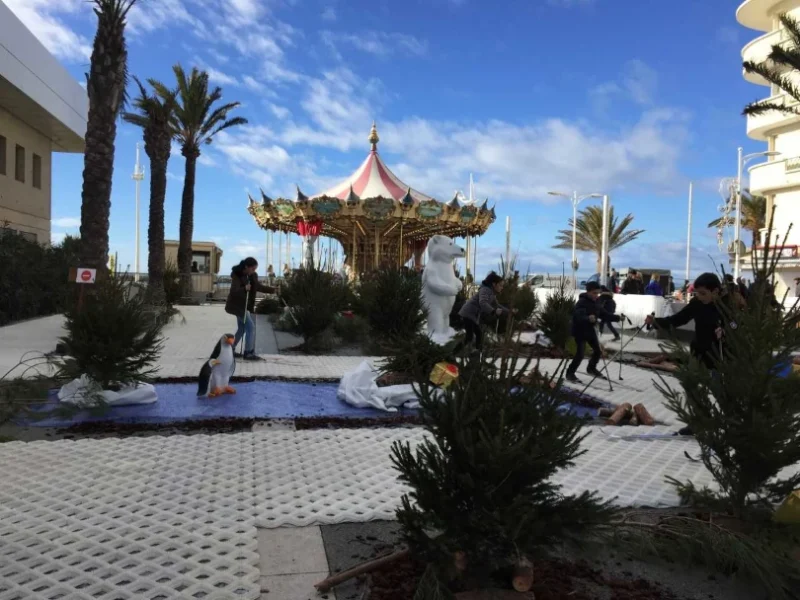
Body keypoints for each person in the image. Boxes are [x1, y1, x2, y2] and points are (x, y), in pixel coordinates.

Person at [566, 281, 622, 383]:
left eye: (598, 293)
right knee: (580, 354)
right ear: (588, 292)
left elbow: (604, 314)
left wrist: (618, 318)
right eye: (594, 293)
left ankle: (591, 368)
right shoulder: (582, 302)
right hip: (580, 331)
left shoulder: (596, 303)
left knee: (598, 351)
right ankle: (570, 373)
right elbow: (578, 316)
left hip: (590, 331)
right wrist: (588, 318)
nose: (596, 295)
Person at [225, 257, 277, 361]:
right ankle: (248, 353)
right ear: (246, 267)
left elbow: (258, 287)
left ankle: (230, 349)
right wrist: (244, 288)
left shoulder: (252, 276)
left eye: (255, 269)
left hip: (245, 306)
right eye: (253, 269)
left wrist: (273, 290)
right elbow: (234, 292)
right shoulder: (237, 276)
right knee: (250, 327)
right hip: (237, 306)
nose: (254, 271)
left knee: (242, 328)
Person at [456, 272, 514, 355]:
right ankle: (453, 354)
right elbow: (483, 303)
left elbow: (497, 305)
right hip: (468, 313)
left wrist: (509, 311)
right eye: (500, 285)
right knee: (470, 337)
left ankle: (477, 352)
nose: (502, 287)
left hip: (472, 315)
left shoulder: (491, 293)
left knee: (478, 334)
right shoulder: (485, 290)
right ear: (494, 284)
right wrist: (493, 311)